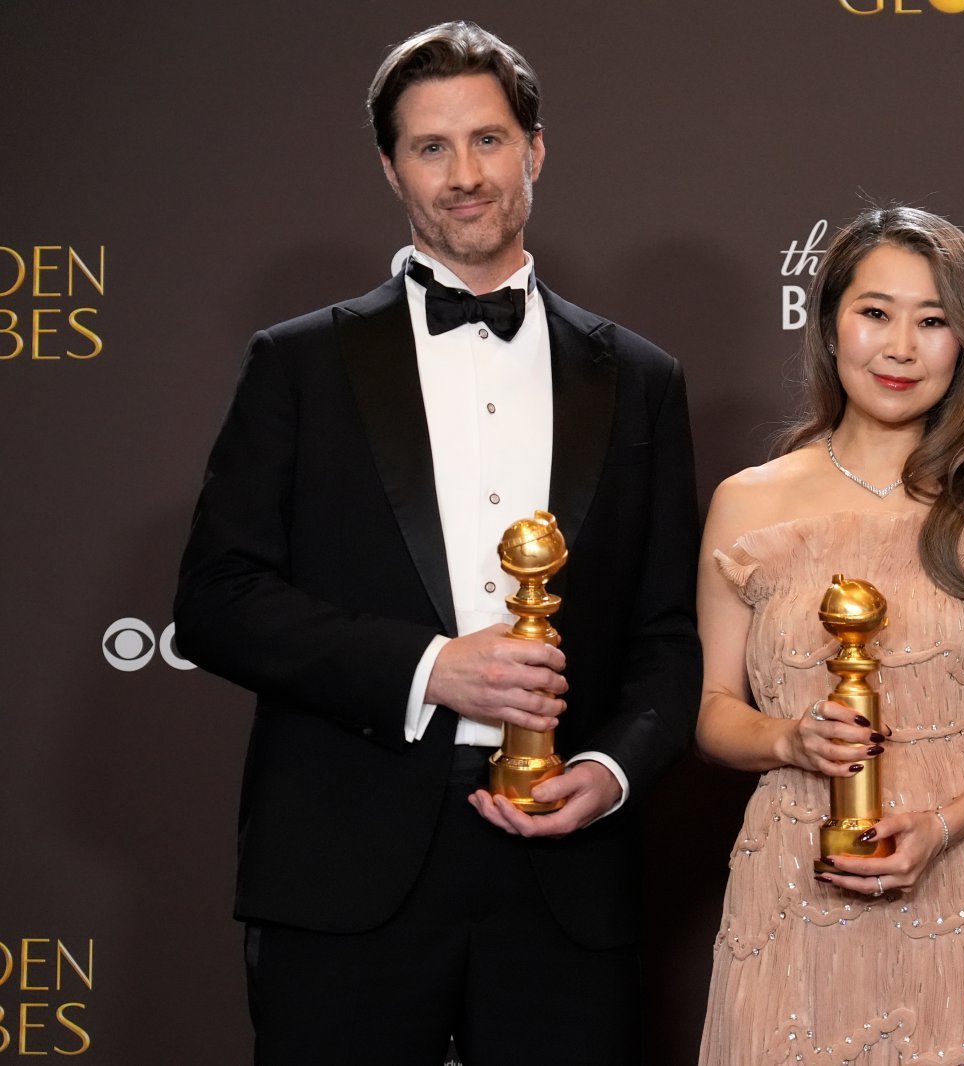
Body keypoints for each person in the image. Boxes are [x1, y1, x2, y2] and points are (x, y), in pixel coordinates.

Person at [173, 21, 699, 1065]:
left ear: (535, 149)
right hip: (345, 860)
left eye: (488, 140)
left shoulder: (640, 378)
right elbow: (217, 599)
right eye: (431, 147)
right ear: (390, 167)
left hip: (566, 869)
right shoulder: (297, 364)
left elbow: (669, 632)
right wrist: (430, 668)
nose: (464, 176)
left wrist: (610, 768)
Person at [695, 206, 964, 1064]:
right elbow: (712, 710)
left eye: (932, 321)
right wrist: (788, 738)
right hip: (791, 894)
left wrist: (944, 825)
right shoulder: (748, 501)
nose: (901, 347)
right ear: (830, 326)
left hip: (962, 891)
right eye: (876, 313)